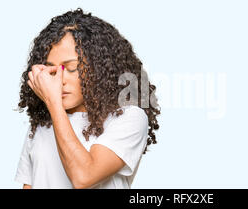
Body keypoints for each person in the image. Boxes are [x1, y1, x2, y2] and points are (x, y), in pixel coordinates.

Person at [14, 8, 160, 189]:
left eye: (72, 67)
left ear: (98, 67)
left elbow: (84, 176)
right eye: (51, 69)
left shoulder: (129, 117)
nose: (59, 80)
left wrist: (54, 104)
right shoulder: (42, 123)